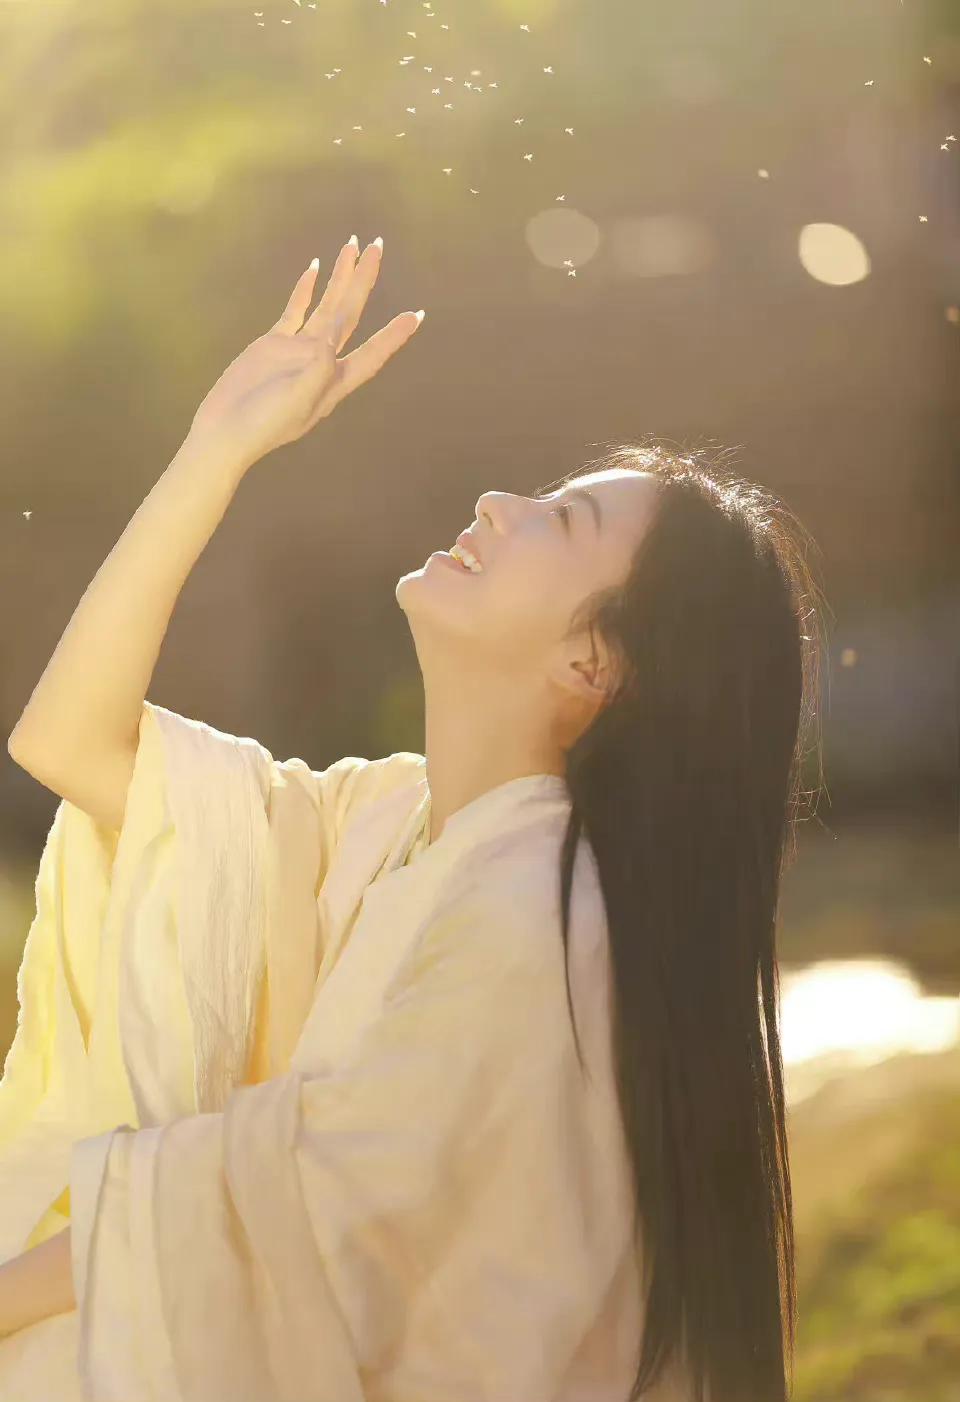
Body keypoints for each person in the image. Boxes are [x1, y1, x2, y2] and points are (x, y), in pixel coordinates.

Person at [0, 233, 823, 1402]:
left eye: (559, 523)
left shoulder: (542, 910)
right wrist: (214, 451)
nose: (498, 501)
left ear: (594, 662)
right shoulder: (386, 827)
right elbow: (71, 743)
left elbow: (313, 1202)